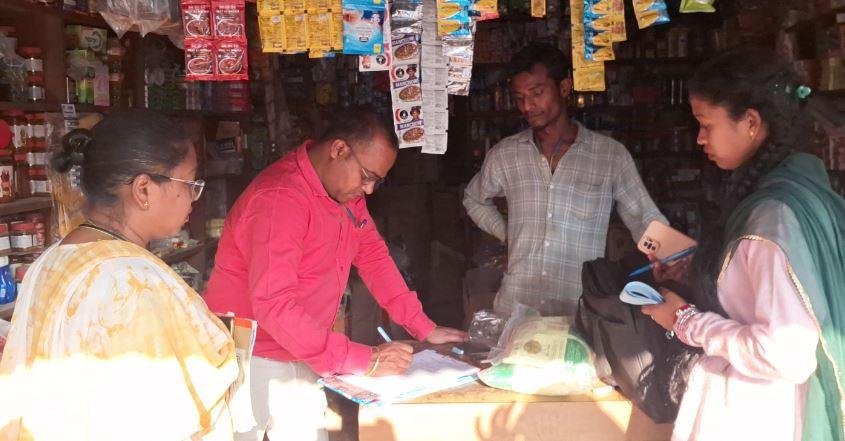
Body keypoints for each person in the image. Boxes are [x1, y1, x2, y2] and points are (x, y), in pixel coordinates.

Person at [203, 108, 467, 441]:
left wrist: (422, 326)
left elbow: (373, 257)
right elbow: (274, 306)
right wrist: (364, 359)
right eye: (367, 176)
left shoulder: (344, 194)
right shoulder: (280, 198)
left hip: (303, 351)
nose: (369, 190)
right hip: (253, 357)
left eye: (377, 181)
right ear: (339, 149)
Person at [641, 48, 845, 441]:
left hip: (763, 416)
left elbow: (785, 354)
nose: (700, 138)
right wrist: (697, 272)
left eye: (706, 124)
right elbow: (759, 290)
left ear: (751, 122)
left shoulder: (773, 218)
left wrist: (684, 321)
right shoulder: (800, 187)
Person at [0, 110, 238, 441]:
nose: (194, 198)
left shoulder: (52, 258)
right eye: (190, 183)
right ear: (143, 190)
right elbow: (164, 416)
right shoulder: (135, 283)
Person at [463, 42, 666, 316]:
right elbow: (474, 199)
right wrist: (507, 233)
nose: (527, 106)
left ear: (564, 87)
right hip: (516, 307)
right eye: (519, 97)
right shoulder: (505, 155)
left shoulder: (609, 156)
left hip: (578, 311)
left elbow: (644, 217)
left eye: (537, 93)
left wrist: (672, 256)